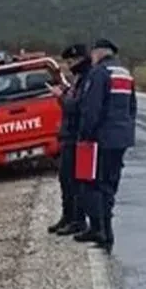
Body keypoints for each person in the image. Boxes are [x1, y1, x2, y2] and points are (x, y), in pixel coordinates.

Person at [73, 38, 137, 252]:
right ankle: (107, 232)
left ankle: (100, 229)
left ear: (99, 53)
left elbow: (92, 108)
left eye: (93, 53)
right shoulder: (125, 74)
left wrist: (85, 135)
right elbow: (132, 108)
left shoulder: (99, 73)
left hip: (102, 138)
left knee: (93, 184)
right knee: (110, 184)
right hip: (122, 138)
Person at [49, 43, 92, 236]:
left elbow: (77, 106)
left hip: (77, 137)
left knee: (75, 182)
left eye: (72, 61)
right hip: (69, 136)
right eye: (68, 62)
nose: (70, 65)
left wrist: (62, 97)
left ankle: (77, 220)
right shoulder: (78, 80)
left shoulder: (87, 80)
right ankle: (68, 217)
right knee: (65, 180)